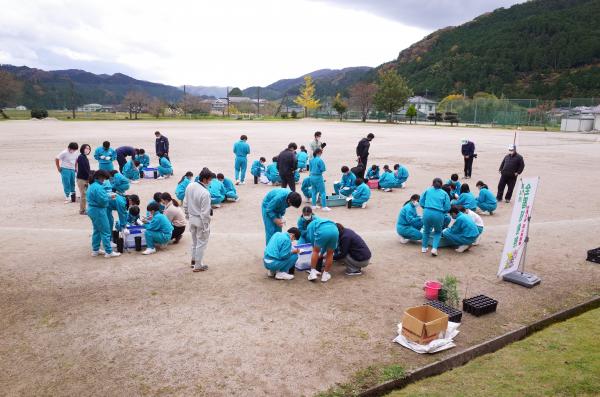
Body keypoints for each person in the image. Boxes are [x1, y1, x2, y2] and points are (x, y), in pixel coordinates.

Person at [184, 168, 213, 272]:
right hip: (200, 220)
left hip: (192, 218)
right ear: (205, 179)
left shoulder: (190, 185)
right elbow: (205, 213)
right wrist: (206, 226)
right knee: (201, 243)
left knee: (194, 242)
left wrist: (187, 216)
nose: (211, 182)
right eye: (210, 179)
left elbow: (185, 203)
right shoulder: (205, 193)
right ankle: (198, 265)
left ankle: (193, 261)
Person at [86, 170, 120, 258]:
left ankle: (95, 250)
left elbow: (100, 197)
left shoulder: (93, 185)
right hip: (98, 211)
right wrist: (109, 198)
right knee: (105, 231)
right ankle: (109, 252)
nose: (105, 180)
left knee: (97, 230)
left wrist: (107, 196)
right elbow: (102, 201)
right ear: (101, 177)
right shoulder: (99, 187)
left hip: (92, 210)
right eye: (104, 178)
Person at [420, 178, 451, 256]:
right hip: (438, 213)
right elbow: (447, 207)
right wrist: (443, 212)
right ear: (441, 185)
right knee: (438, 232)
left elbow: (421, 202)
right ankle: (434, 249)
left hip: (427, 211)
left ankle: (424, 248)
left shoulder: (427, 190)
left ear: (432, 183)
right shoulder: (444, 193)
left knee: (426, 230)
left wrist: (425, 207)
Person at [306, 217, 339, 282]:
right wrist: (321, 253)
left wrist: (316, 250)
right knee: (330, 253)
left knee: (315, 251)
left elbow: (312, 239)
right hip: (335, 230)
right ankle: (325, 275)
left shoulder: (310, 225)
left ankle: (312, 273)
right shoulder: (322, 220)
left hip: (323, 231)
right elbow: (325, 244)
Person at [76, 144, 91, 214]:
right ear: (82, 149)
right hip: (82, 179)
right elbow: (84, 169)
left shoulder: (84, 157)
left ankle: (84, 209)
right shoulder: (81, 157)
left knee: (85, 194)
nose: (87, 150)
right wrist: (89, 176)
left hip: (85, 178)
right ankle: (82, 210)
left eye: (88, 149)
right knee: (83, 195)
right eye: (86, 148)